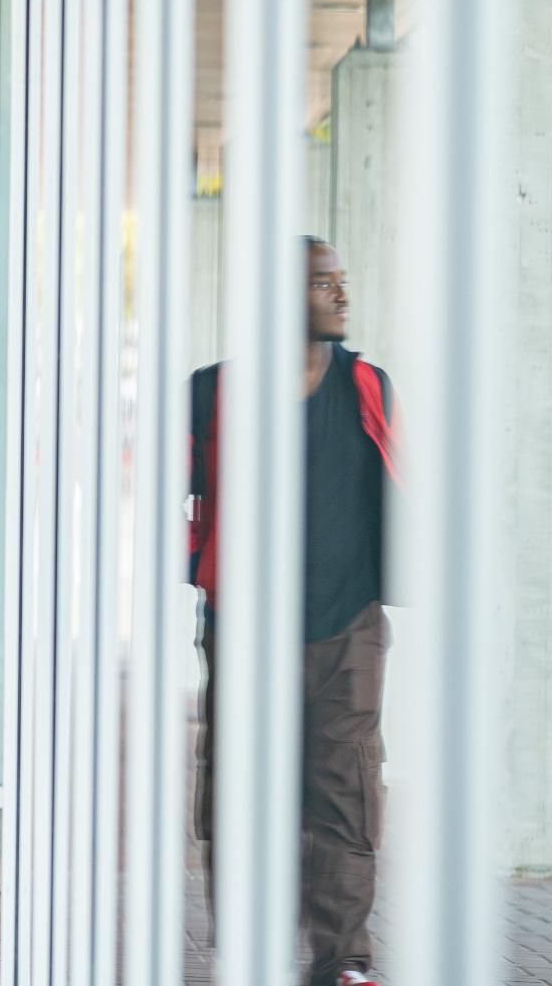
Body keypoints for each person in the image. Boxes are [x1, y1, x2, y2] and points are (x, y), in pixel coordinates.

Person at [186, 237, 395, 986]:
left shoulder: (368, 385)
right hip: (245, 631)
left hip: (349, 629)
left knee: (348, 799)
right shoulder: (213, 392)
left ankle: (345, 963)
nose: (340, 294)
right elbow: (176, 498)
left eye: (342, 280)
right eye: (322, 284)